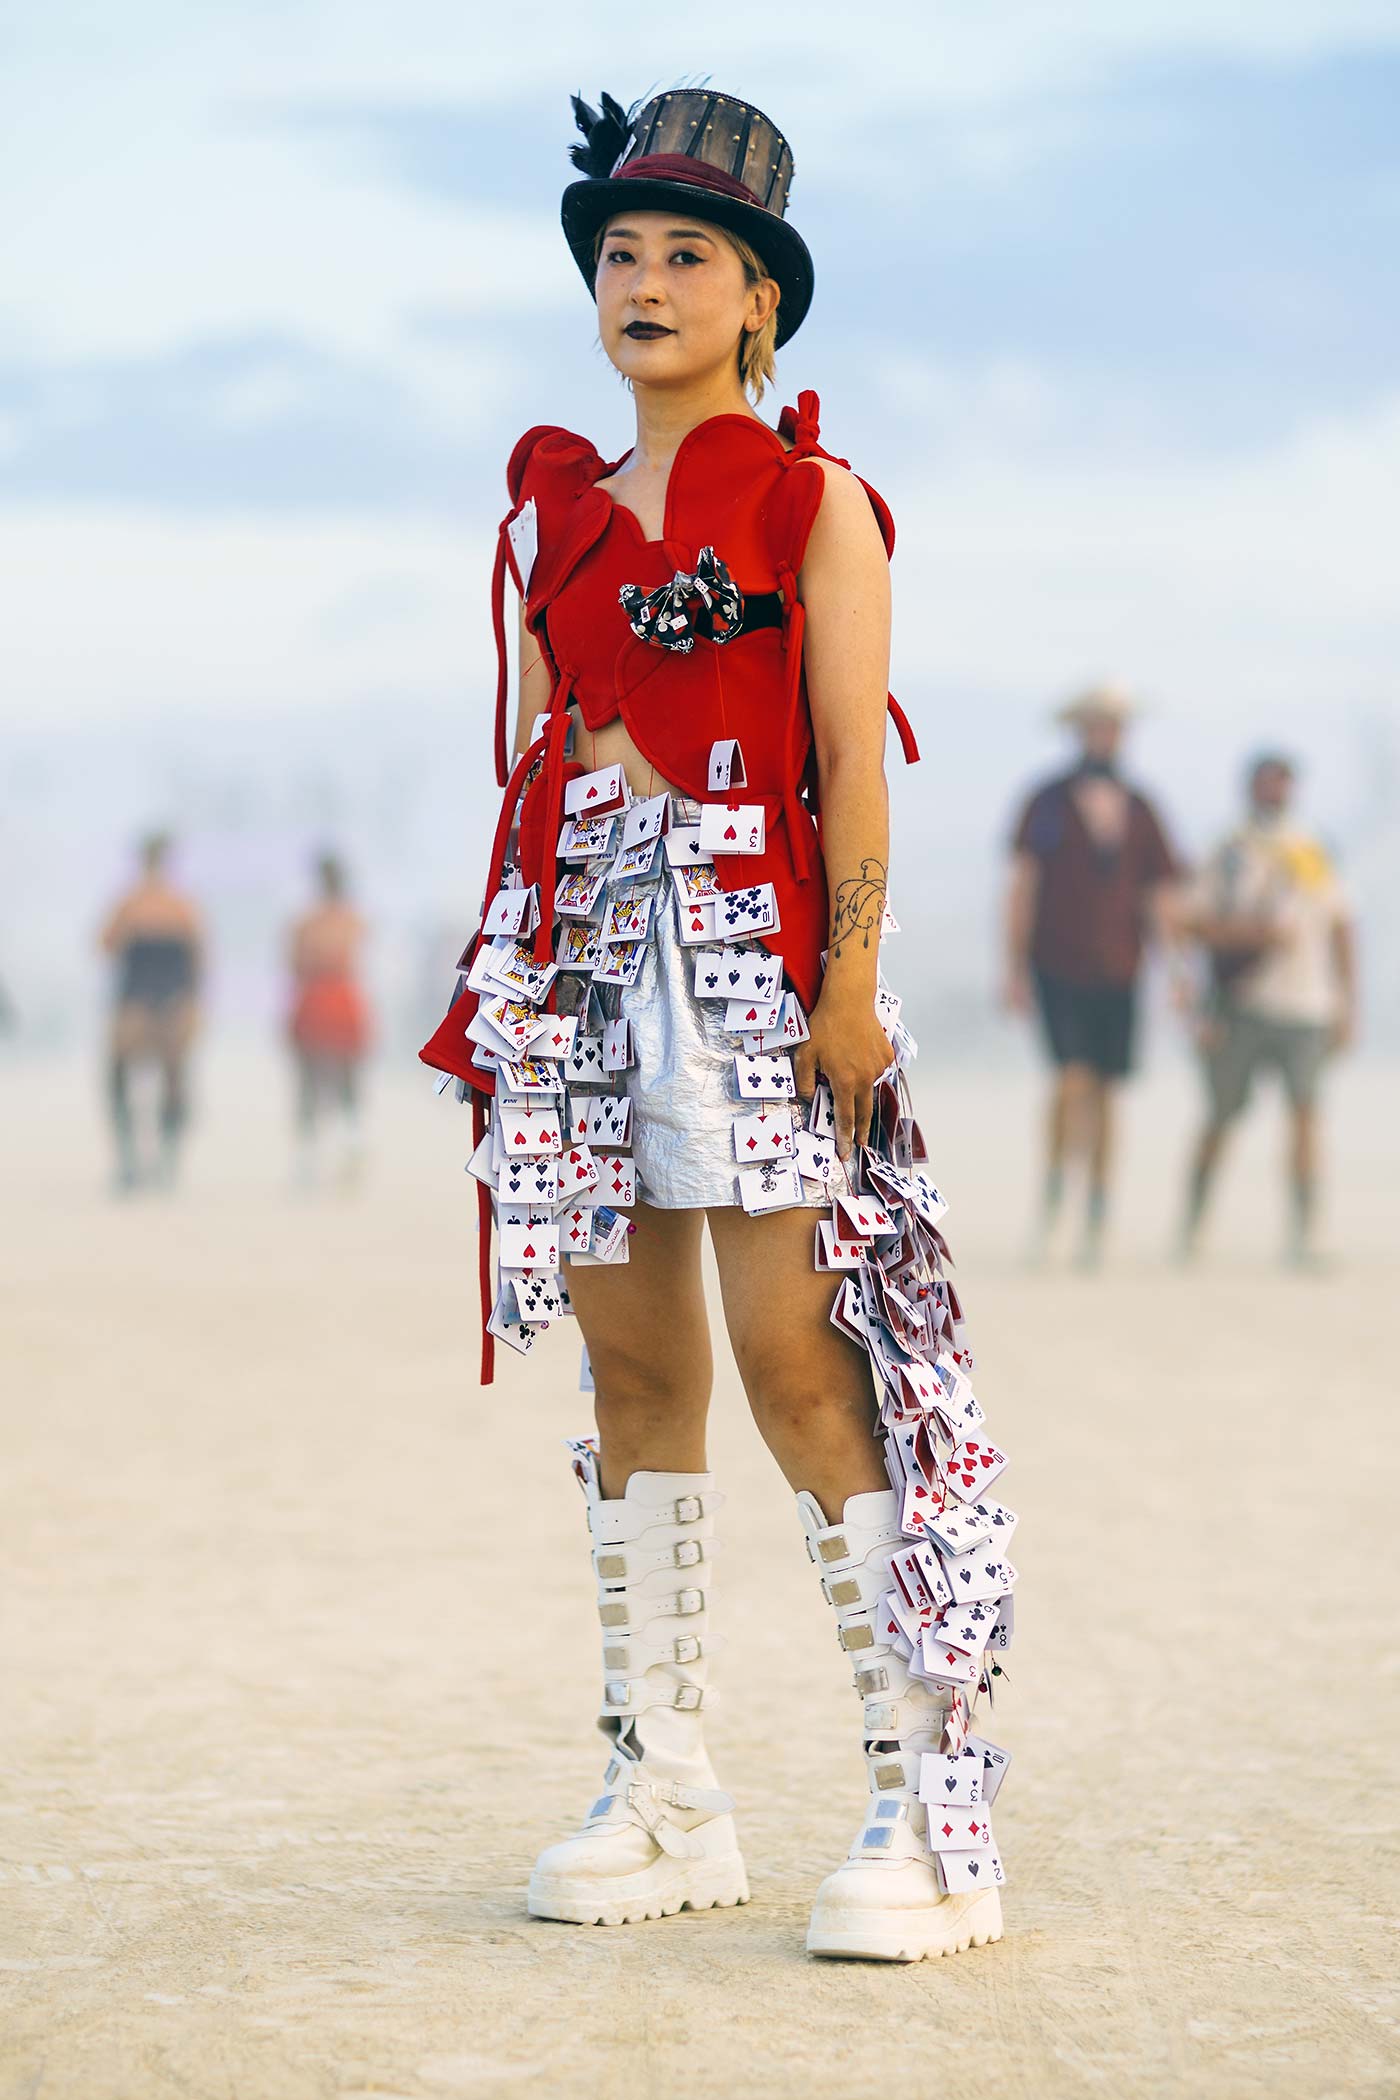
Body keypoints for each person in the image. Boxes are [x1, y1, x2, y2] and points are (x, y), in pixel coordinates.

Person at [421, 86, 1016, 1963]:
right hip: (585, 962)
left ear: (763, 300)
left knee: (794, 1360)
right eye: (619, 253)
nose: (644, 281)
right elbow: (534, 749)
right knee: (633, 1377)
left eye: (687, 253)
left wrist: (845, 977)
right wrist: (517, 981)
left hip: (760, 962)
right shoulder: (559, 517)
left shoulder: (815, 502)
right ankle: (663, 1783)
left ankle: (926, 1806)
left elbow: (855, 756)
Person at [1004, 683, 1179, 1265]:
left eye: (1114, 725)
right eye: (1096, 724)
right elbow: (1022, 887)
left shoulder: (1141, 804)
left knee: (1106, 1089)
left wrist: (1175, 968)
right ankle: (1053, 1192)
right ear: (1079, 730)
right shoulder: (1046, 801)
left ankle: (1096, 1211)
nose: (1105, 734)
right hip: (1057, 963)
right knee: (1069, 1079)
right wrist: (1013, 966)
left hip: (1121, 968)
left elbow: (1157, 896)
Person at [1179, 752, 1357, 1265]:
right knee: (1222, 1114)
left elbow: (1342, 924)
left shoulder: (1313, 848)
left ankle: (1305, 1234)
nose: (1274, 793)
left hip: (1307, 1004)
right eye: (1266, 783)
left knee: (1305, 1114)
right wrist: (1252, 936)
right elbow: (1192, 922)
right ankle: (1193, 1223)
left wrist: (1346, 1002)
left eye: (1282, 784)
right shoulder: (1229, 849)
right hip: (1240, 1004)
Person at [99, 832, 203, 1191]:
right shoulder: (182, 905)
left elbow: (107, 945)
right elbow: (199, 957)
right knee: (175, 1078)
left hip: (139, 1000)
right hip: (171, 999)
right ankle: (166, 1159)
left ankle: (131, 1158)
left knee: (117, 1076)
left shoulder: (130, 904)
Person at [287, 852, 372, 1188]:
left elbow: (294, 963)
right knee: (347, 1084)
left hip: (316, 1001)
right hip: (343, 1001)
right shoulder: (353, 920)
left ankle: (310, 1163)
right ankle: (350, 1147)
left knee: (309, 1086)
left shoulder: (307, 923)